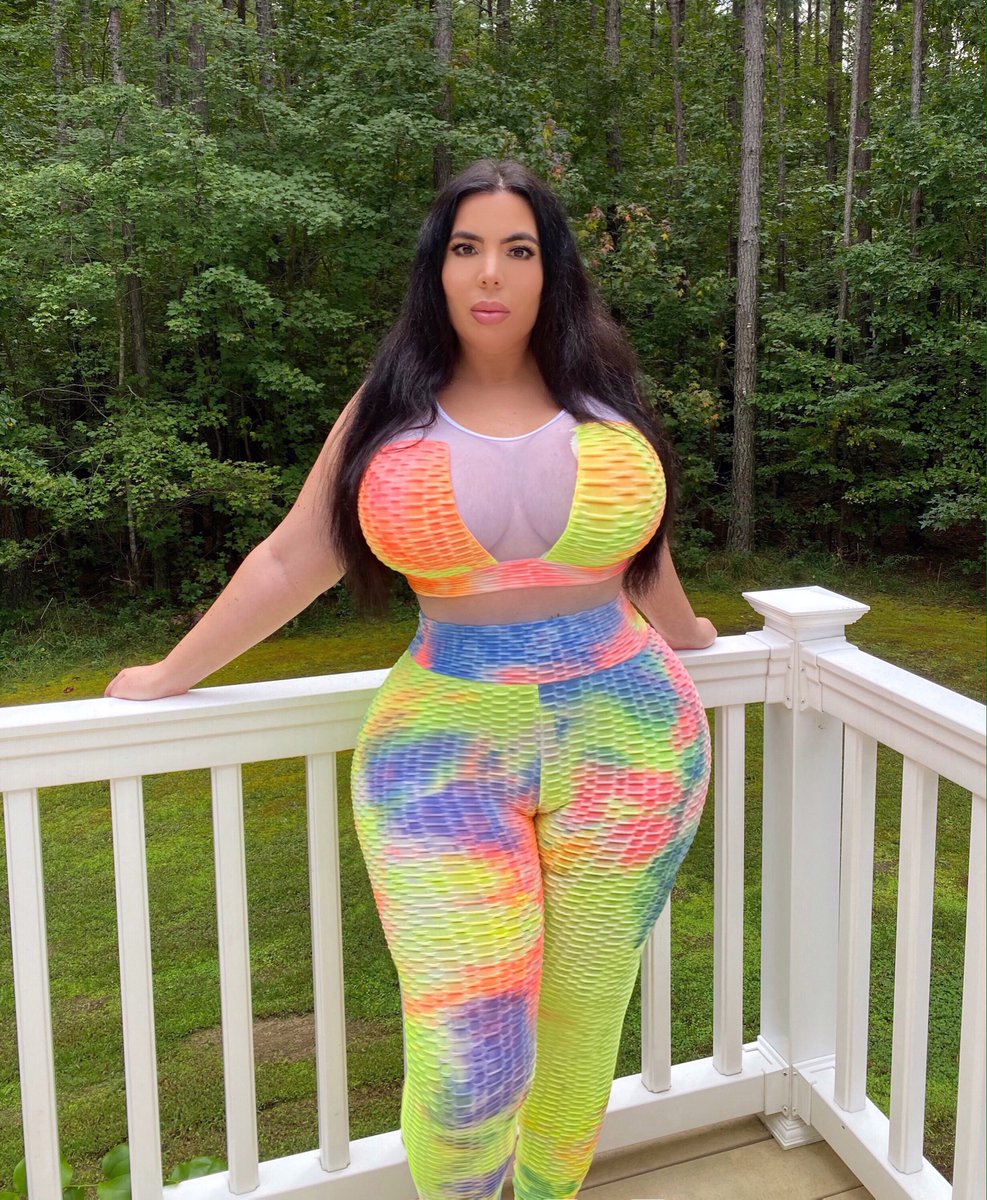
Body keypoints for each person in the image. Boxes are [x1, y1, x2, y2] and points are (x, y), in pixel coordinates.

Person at [105, 158, 716, 1200]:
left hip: (634, 744)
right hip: (440, 754)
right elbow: (294, 558)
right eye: (466, 248)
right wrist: (173, 671)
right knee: (471, 1058)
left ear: (552, 268)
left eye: (517, 249)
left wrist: (690, 631)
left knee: (579, 1033)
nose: (491, 273)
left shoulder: (601, 395)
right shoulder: (390, 409)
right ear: (437, 267)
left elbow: (639, 551)